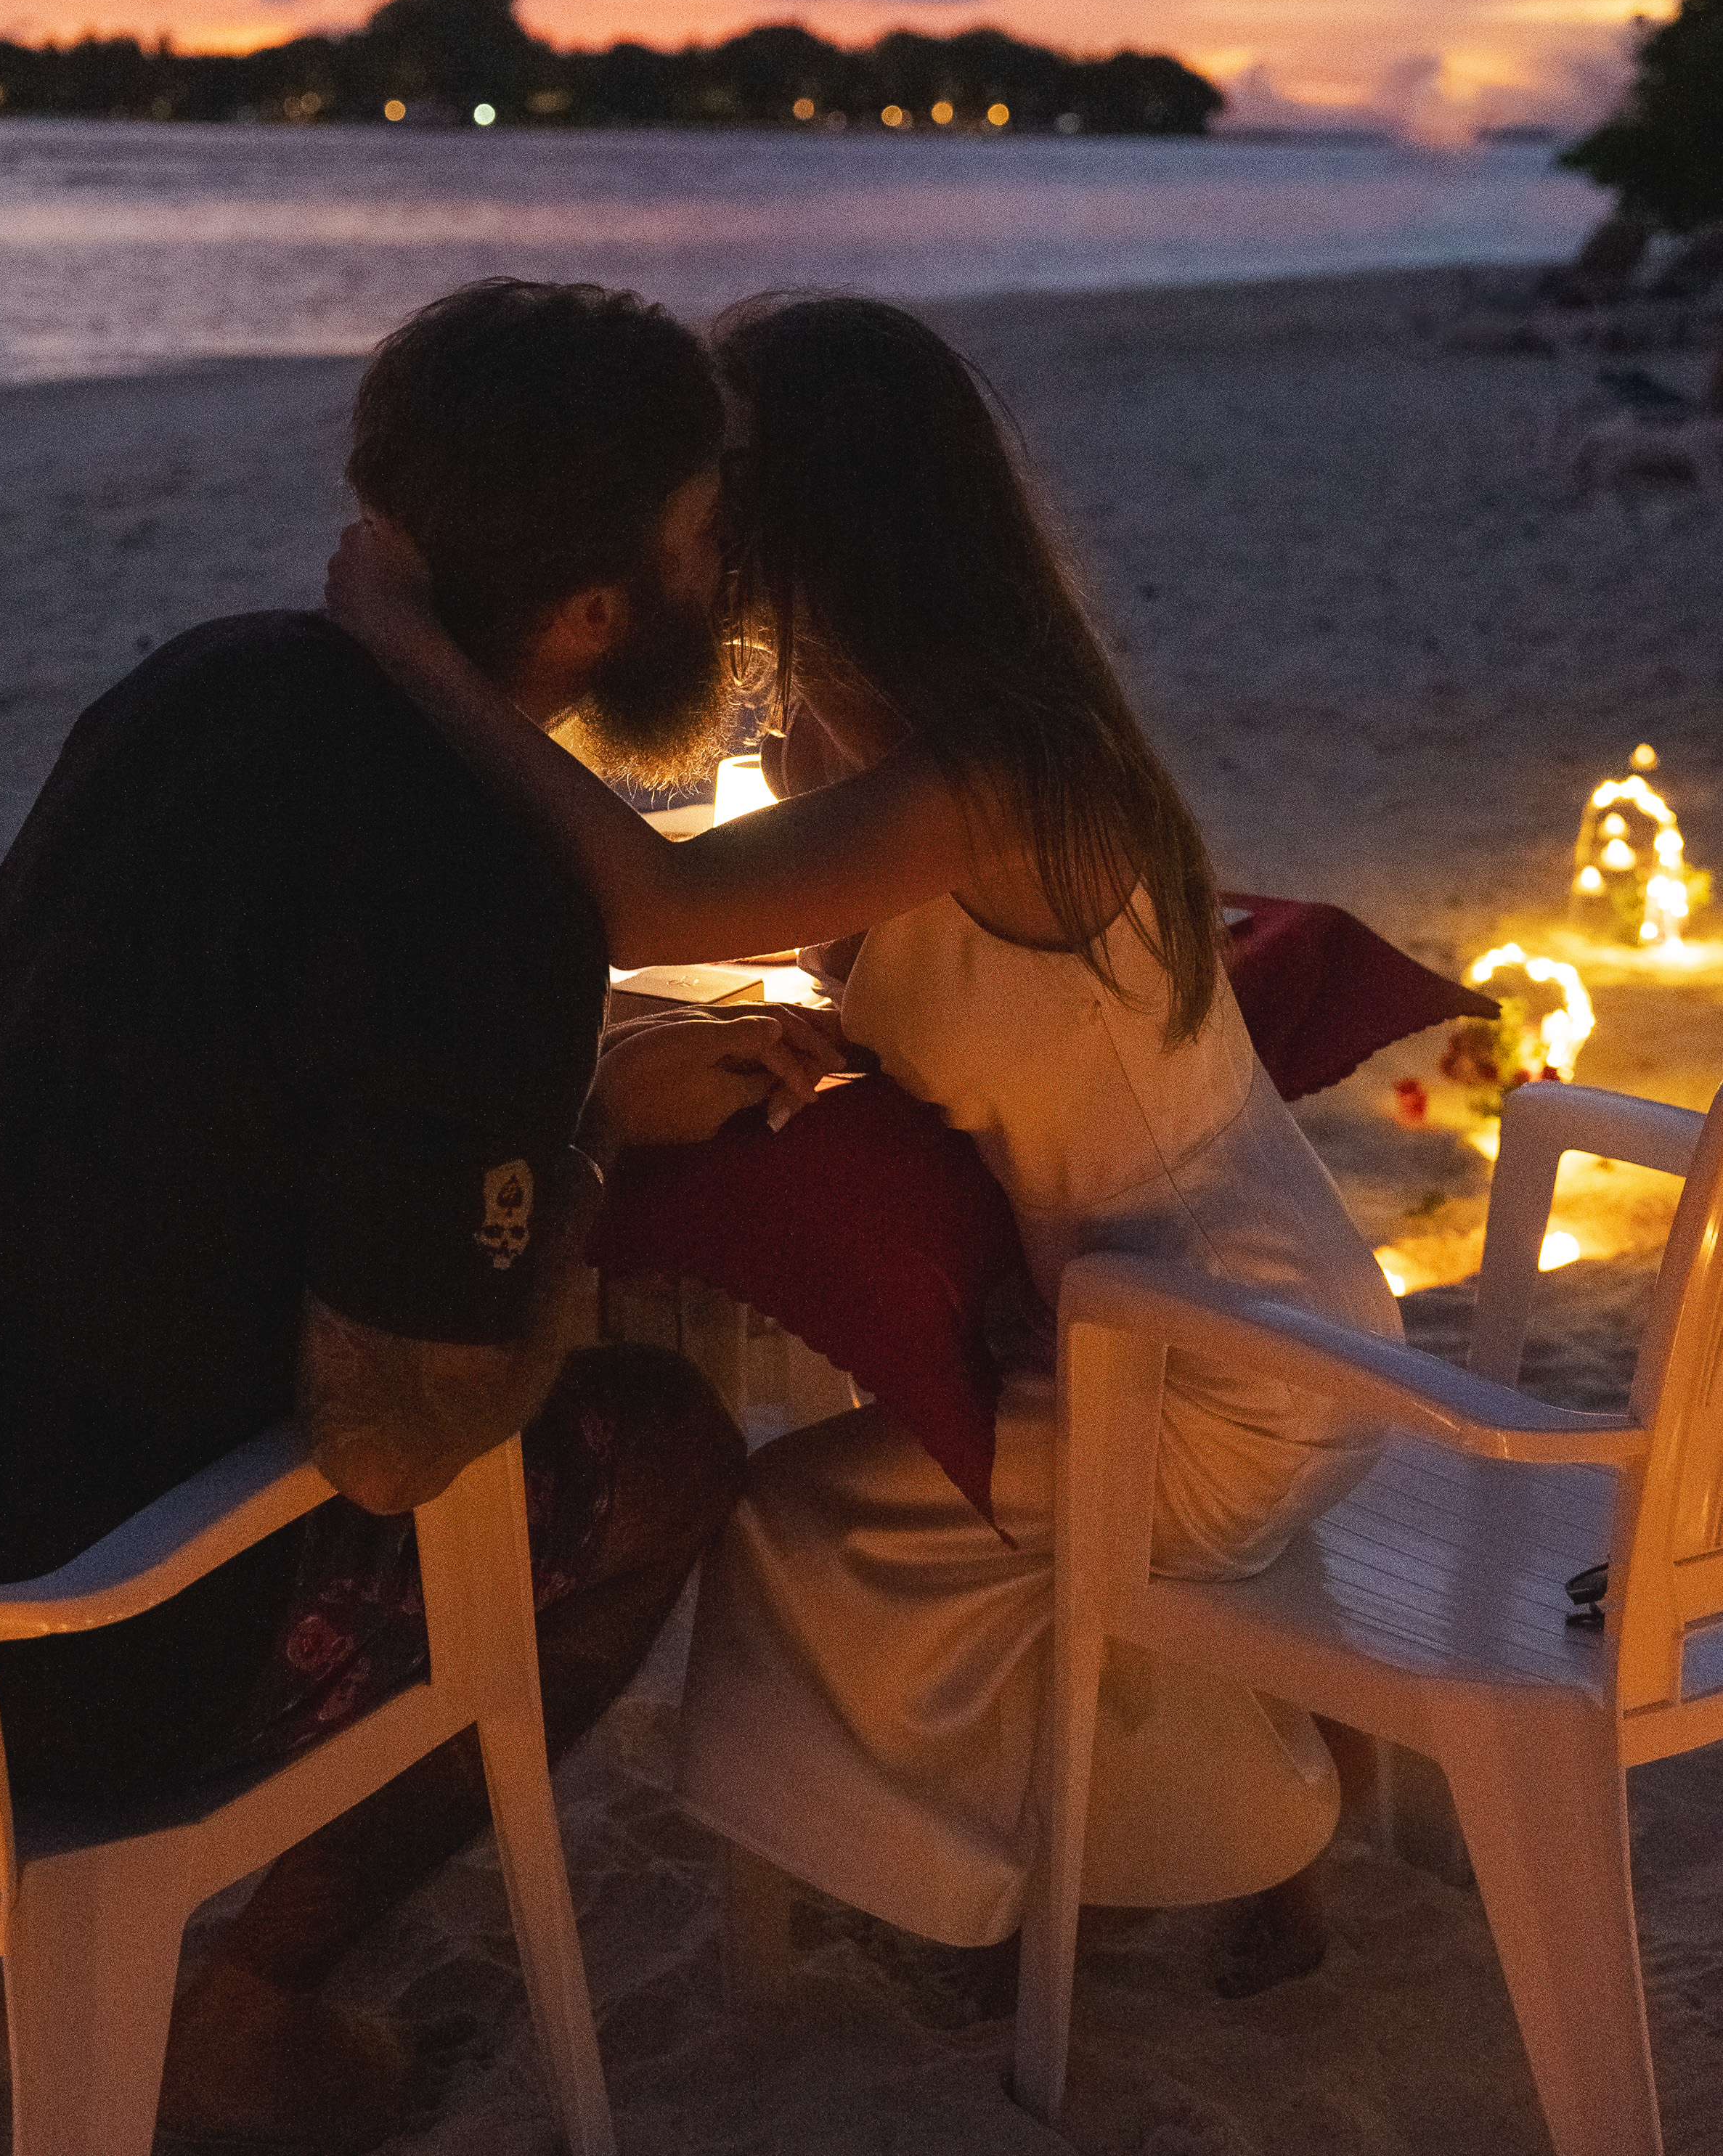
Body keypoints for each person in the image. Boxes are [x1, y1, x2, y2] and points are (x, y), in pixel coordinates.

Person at [0, 279, 842, 2153]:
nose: (727, 582)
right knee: (667, 1450)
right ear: (600, 603)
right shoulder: (485, 891)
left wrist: (531, 1108)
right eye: (705, 541)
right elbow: (397, 1442)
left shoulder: (200, 683)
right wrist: (587, 1156)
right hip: (69, 1650)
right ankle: (248, 2004)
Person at [322, 290, 1401, 1981]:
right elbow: (790, 939)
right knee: (936, 1521)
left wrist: (422, 666)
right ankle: (1219, 1841)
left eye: (719, 462)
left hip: (1213, 1346)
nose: (689, 491)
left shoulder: (998, 764)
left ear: (817, 498)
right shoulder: (876, 724)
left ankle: (1074, 1875)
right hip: (1160, 1302)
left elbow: (648, 894)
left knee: (804, 1529)